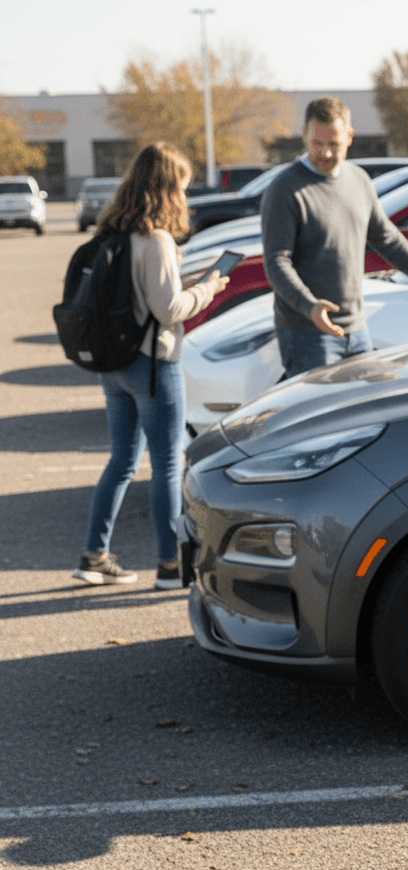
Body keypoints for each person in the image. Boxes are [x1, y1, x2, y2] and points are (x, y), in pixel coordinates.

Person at [72, 142, 229, 589]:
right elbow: (169, 309)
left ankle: (93, 555)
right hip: (153, 366)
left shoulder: (113, 233)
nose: (185, 194)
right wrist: (209, 289)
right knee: (166, 466)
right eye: (181, 185)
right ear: (164, 188)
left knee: (121, 460)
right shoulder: (156, 238)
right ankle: (169, 565)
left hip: (114, 365)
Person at [261, 96, 408, 378]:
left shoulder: (358, 181)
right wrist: (309, 306)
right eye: (317, 143)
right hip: (308, 337)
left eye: (333, 144)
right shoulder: (285, 189)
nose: (324, 153)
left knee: (362, 416)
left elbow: (387, 239)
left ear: (349, 137)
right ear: (304, 135)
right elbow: (277, 262)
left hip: (357, 332)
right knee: (323, 419)